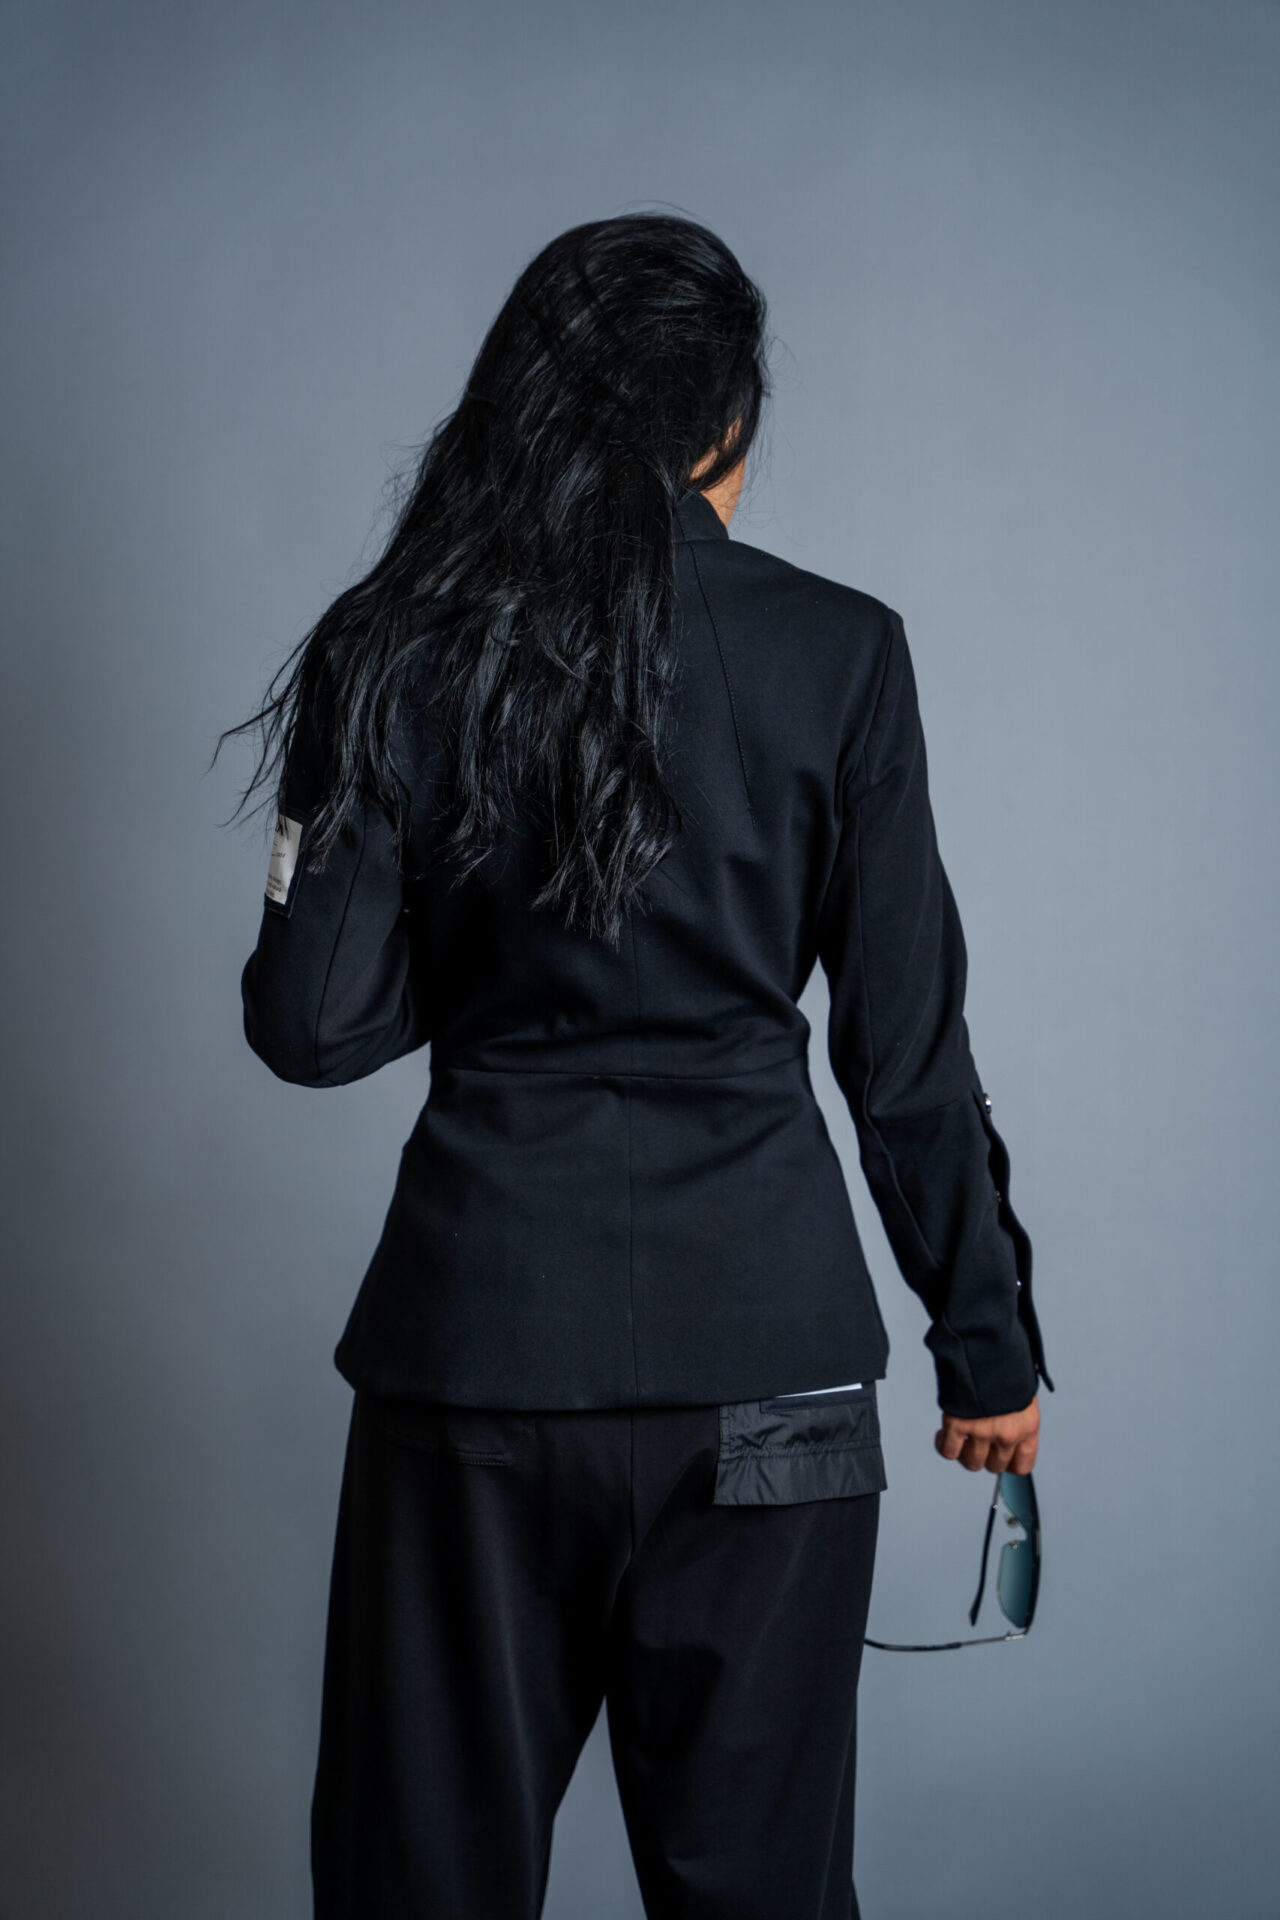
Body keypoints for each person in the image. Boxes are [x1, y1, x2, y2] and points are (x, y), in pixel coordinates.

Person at [223, 212, 1051, 1919]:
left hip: (478, 1363)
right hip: (777, 1382)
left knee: (422, 1888)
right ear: (722, 424)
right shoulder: (843, 652)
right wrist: (988, 1347)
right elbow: (907, 1057)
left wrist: (411, 851)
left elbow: (314, 1027)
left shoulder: (401, 645)